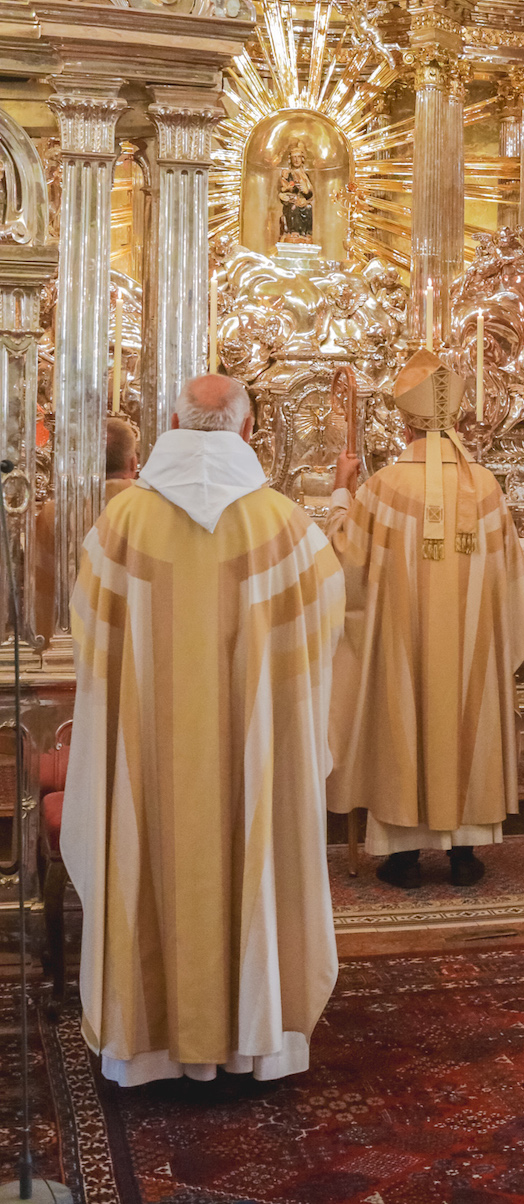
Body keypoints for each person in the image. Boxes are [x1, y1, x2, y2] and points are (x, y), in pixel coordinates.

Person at [62, 375, 344, 1085]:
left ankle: (144, 1046)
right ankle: (255, 1036)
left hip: (148, 754)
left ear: (172, 423)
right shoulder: (284, 525)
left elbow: (90, 639)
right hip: (255, 751)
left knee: (142, 848)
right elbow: (323, 632)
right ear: (247, 431)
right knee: (259, 849)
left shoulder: (122, 524)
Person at [327, 349, 524, 889]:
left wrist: (340, 491)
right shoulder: (485, 486)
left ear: (405, 423)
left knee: (405, 714)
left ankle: (403, 857)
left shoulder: (383, 488)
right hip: (471, 648)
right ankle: (464, 852)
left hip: (404, 645)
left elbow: (346, 565)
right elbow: (511, 579)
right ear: (455, 420)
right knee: (466, 713)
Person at [35, 415, 140, 646]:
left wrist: (46, 645)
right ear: (133, 464)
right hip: (136, 640)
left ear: (81, 463)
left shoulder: (53, 512)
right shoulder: (151, 506)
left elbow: (42, 594)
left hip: (72, 641)